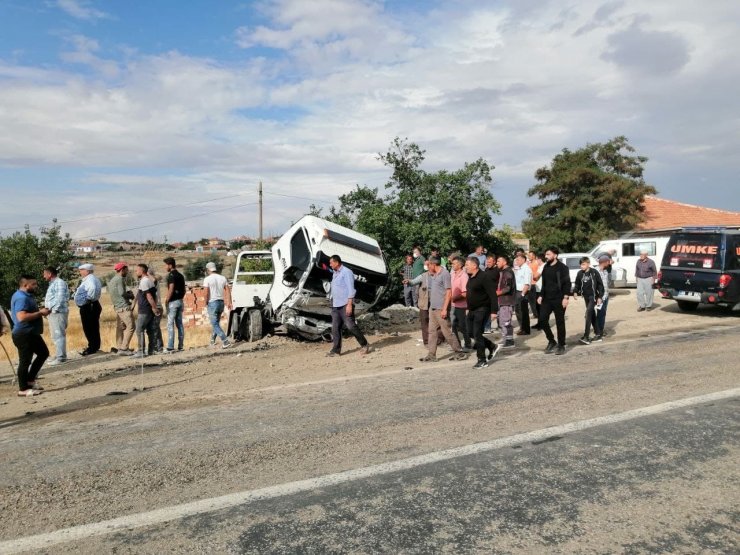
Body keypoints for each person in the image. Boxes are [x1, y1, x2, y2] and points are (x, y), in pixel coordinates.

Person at [419, 257, 468, 362]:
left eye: (429, 265)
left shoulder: (445, 274)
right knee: (432, 332)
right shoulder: (434, 275)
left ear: (433, 264)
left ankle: (459, 352)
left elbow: (448, 292)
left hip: (441, 308)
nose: (428, 267)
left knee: (447, 332)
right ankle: (431, 354)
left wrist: (445, 309)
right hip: (433, 308)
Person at [10, 275, 50, 396]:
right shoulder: (22, 298)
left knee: (43, 353)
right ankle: (23, 389)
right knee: (25, 361)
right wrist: (40, 313)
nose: (36, 286)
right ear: (25, 285)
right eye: (34, 284)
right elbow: (21, 317)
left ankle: (30, 380)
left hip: (31, 333)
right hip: (23, 334)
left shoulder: (25, 296)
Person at [326, 255, 371, 357]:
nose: (330, 264)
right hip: (335, 305)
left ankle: (364, 344)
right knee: (335, 328)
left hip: (345, 304)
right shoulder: (335, 273)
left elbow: (351, 289)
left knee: (351, 326)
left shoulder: (347, 272)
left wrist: (350, 304)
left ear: (337, 262)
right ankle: (336, 350)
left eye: (331, 262)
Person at [465, 257, 499, 369]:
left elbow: (493, 295)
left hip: (483, 308)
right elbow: (471, 293)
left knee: (477, 334)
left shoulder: (484, 277)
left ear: (474, 265)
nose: (466, 267)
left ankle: (482, 360)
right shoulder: (471, 277)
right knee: (470, 332)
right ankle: (491, 345)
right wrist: (468, 308)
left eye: (467, 265)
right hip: (472, 309)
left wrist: (494, 311)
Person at [537, 247, 571, 355]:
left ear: (555, 255)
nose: (546, 256)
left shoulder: (563, 268)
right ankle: (551, 341)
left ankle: (561, 345)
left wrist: (565, 298)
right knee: (542, 320)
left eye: (548, 254)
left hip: (559, 298)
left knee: (559, 322)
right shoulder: (546, 267)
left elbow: (567, 283)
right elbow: (544, 283)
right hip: (547, 299)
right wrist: (541, 295)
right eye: (545, 255)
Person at [405, 266, 445, 348]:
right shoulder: (423, 276)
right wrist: (408, 281)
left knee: (439, 321)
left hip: (437, 302)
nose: (429, 267)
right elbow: (413, 282)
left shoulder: (440, 275)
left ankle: (440, 339)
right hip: (424, 302)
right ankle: (426, 341)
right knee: (424, 321)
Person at [573, 256, 605, 345]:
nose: (581, 266)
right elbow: (577, 284)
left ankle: (586, 336)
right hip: (586, 297)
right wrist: (575, 291)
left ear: (588, 264)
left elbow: (600, 285)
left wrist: (599, 297)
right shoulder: (580, 273)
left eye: (583, 264)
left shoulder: (594, 273)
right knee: (592, 315)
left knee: (588, 314)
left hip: (593, 297)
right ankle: (598, 334)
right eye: (580, 265)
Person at [132, 264, 161, 359]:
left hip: (145, 309)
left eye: (137, 270)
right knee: (150, 330)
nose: (136, 272)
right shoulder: (149, 281)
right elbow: (155, 295)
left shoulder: (144, 281)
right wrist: (154, 307)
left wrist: (154, 307)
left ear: (142, 271)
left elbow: (149, 296)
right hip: (149, 309)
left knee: (139, 329)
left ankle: (141, 351)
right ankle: (151, 350)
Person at [73, 263, 102, 356]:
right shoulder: (91, 278)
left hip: (89, 305)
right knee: (93, 327)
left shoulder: (90, 280)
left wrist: (87, 299)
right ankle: (94, 346)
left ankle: (92, 347)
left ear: (87, 271)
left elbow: (92, 289)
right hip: (91, 305)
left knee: (89, 327)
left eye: (82, 270)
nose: (80, 272)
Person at [42, 266, 69, 365]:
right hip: (53, 313)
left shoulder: (59, 283)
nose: (43, 276)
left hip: (57, 313)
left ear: (50, 274)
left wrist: (52, 310)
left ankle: (61, 357)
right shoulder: (53, 283)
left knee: (58, 334)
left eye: (44, 274)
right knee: (55, 335)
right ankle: (60, 355)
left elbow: (60, 299)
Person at [108, 262, 136, 355]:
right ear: (122, 269)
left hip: (118, 307)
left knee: (120, 328)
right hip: (124, 307)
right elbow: (122, 293)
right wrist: (131, 295)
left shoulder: (112, 280)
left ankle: (120, 347)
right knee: (131, 327)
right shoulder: (120, 279)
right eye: (126, 270)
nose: (127, 272)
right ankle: (124, 349)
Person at [203, 261, 232, 348]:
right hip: (221, 302)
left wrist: (205, 302)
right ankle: (212, 340)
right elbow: (228, 290)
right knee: (216, 323)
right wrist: (229, 302)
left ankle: (225, 341)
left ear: (208, 270)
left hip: (212, 302)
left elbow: (206, 292)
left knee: (214, 323)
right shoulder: (223, 278)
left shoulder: (207, 279)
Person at [163, 257, 186, 352]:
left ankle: (170, 346)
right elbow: (184, 290)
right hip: (180, 301)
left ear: (170, 265)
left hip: (173, 302)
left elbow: (171, 289)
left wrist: (167, 300)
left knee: (170, 324)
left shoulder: (171, 275)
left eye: (165, 265)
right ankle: (180, 346)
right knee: (179, 324)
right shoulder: (181, 275)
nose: (165, 267)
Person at [450, 255, 472, 351]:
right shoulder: (452, 274)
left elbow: (465, 293)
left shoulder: (464, 276)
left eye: (454, 264)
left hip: (461, 306)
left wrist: (454, 298)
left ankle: (468, 344)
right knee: (452, 325)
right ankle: (457, 345)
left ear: (460, 265)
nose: (452, 265)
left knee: (462, 326)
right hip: (453, 305)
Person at [496, 255, 516, 348]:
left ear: (504, 262)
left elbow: (507, 288)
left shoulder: (508, 272)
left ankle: (509, 341)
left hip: (506, 301)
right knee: (502, 321)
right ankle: (506, 339)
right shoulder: (503, 272)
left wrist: (497, 293)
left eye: (499, 261)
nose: (497, 263)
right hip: (502, 301)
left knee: (506, 322)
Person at [513, 253, 532, 336]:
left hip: (522, 292)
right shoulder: (520, 269)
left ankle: (525, 329)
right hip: (518, 292)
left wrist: (522, 294)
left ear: (524, 260)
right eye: (516, 260)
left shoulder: (526, 269)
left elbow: (527, 284)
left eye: (518, 259)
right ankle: (522, 327)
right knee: (518, 311)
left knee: (523, 312)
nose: (517, 261)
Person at [147, 268, 165, 353]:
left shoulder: (153, 281)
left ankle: (158, 347)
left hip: (157, 307)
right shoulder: (152, 281)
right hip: (157, 307)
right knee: (156, 328)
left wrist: (148, 274)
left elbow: (154, 279)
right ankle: (159, 347)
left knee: (154, 328)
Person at [596, 254, 611, 335]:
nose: (609, 263)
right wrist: (598, 297)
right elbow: (595, 286)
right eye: (608, 262)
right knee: (600, 314)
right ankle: (598, 331)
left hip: (606, 296)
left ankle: (601, 329)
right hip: (600, 297)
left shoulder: (605, 271)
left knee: (603, 313)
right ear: (605, 262)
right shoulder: (596, 271)